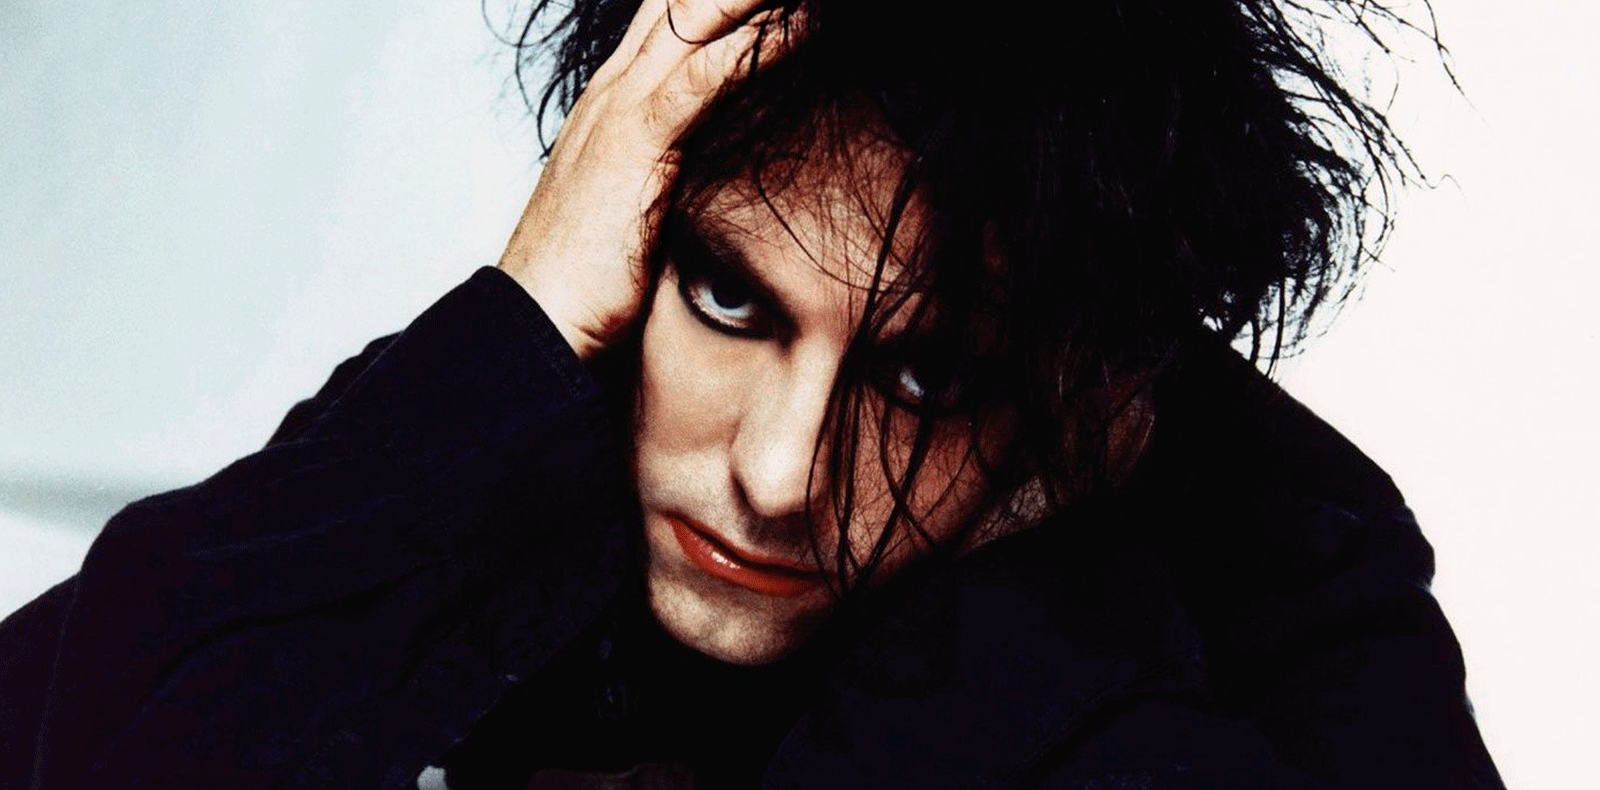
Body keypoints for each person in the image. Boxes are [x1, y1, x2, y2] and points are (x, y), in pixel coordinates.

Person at [0, 0, 1504, 787]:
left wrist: (1037, 571)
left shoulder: (1285, 559)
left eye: (927, 375)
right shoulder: (510, 420)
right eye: (730, 298)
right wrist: (515, 330)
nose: (778, 477)